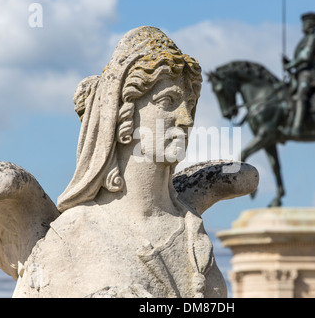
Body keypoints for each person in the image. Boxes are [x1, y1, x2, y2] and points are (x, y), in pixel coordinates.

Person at [13, 26, 228, 298]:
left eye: (190, 103)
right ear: (122, 115)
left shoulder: (192, 233)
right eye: (169, 101)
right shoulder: (73, 236)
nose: (186, 118)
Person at [282, 12, 315, 137]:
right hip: (299, 73)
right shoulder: (304, 39)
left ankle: (297, 127)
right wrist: (289, 62)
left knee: (301, 95)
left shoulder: (313, 39)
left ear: (311, 25)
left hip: (308, 74)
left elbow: (306, 56)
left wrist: (290, 65)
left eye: (305, 23)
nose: (303, 26)